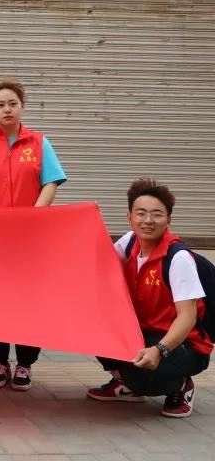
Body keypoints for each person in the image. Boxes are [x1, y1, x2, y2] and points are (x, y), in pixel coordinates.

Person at [0, 78, 67, 391]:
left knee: (28, 298)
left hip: (31, 237)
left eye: (12, 104)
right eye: (0, 104)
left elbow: (51, 181)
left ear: (22, 106)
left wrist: (34, 214)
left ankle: (25, 363)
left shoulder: (40, 143)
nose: (7, 109)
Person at [88, 179, 210, 418]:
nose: (148, 220)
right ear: (129, 217)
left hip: (182, 342)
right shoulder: (130, 242)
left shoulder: (178, 258)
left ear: (168, 220)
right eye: (141, 213)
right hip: (143, 331)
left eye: (157, 214)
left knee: (144, 377)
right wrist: (91, 225)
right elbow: (98, 264)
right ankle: (124, 383)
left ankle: (181, 386)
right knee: (91, 322)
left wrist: (159, 350)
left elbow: (187, 317)